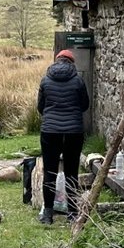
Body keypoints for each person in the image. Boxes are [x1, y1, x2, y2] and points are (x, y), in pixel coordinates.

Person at [36, 48, 90, 225]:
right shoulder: (78, 81)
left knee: (50, 172)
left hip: (50, 131)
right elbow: (84, 105)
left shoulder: (45, 80)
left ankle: (48, 215)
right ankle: (73, 213)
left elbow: (40, 107)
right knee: (71, 172)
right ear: (71, 63)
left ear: (57, 61)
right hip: (73, 131)